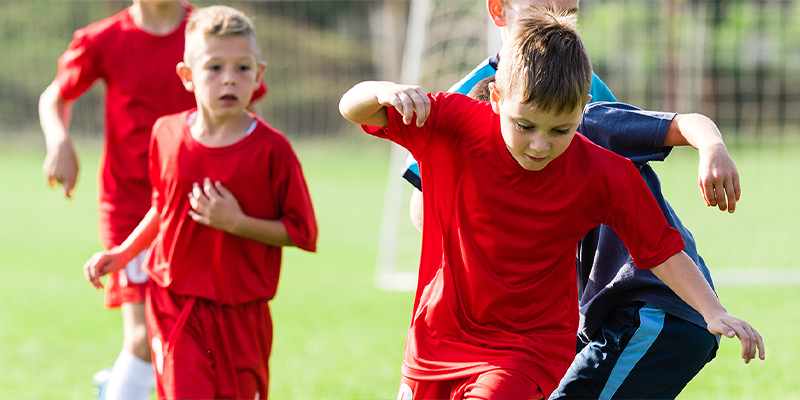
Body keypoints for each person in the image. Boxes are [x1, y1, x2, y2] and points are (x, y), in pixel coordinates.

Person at [339, 7, 763, 399]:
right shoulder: (455, 124)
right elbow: (353, 109)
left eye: (561, 130)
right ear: (496, 100)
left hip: (526, 350)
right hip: (435, 339)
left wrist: (713, 311)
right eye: (525, 125)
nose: (540, 145)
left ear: (584, 108)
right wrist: (382, 90)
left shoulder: (604, 174)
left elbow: (662, 249)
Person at [81, 5, 317, 399]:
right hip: (174, 304)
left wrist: (236, 222)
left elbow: (302, 232)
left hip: (242, 314)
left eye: (243, 68)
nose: (229, 79)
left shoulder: (274, 151)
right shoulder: (166, 134)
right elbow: (164, 206)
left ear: (259, 76)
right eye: (214, 68)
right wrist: (124, 252)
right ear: (187, 77)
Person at [38, 1, 266, 397]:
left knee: (190, 335)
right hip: (129, 208)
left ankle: (120, 382)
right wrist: (59, 141)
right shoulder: (102, 39)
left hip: (199, 206)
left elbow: (250, 110)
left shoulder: (212, 34)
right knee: (145, 337)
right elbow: (54, 96)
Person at [403, 0, 616, 230]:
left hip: (572, 258)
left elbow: (627, 174)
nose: (556, 26)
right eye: (540, 15)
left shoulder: (589, 88)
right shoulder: (463, 97)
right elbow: (422, 213)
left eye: (568, 16)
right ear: (498, 10)